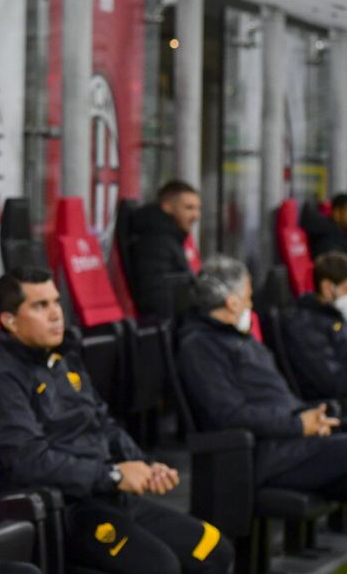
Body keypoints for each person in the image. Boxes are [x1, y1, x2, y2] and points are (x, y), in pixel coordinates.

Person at [0, 267, 233, 574]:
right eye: (41, 306)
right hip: (69, 510)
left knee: (214, 549)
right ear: (9, 320)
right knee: (161, 567)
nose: (56, 314)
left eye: (56, 302)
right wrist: (114, 475)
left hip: (110, 494)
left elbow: (104, 424)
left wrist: (143, 466)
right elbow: (29, 462)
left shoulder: (64, 360)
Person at [177, 255, 347, 500]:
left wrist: (313, 416)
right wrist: (298, 424)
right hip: (267, 455)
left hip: (290, 442)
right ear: (232, 303)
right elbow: (229, 414)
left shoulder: (235, 338)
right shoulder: (199, 347)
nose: (251, 305)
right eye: (248, 297)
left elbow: (273, 396)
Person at [127, 180, 201, 317]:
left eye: (198, 209)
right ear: (167, 207)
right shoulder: (155, 242)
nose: (196, 216)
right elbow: (157, 297)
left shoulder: (171, 238)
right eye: (189, 208)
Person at [282, 251, 347, 401]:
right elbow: (332, 382)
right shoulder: (305, 326)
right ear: (327, 287)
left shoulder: (333, 316)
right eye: (346, 288)